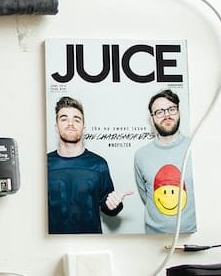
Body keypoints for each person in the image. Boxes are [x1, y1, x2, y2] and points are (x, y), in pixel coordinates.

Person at [47, 96, 132, 234]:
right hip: (50, 245)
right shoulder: (44, 165)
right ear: (56, 127)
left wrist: (114, 205)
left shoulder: (98, 164)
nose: (70, 123)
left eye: (76, 119)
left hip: (91, 246)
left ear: (83, 128)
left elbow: (108, 207)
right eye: (64, 119)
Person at [134, 89, 196, 233]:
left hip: (193, 236)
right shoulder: (141, 155)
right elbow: (147, 195)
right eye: (160, 112)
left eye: (171, 109)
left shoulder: (196, 148)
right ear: (152, 118)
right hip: (154, 238)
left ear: (179, 112)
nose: (167, 115)